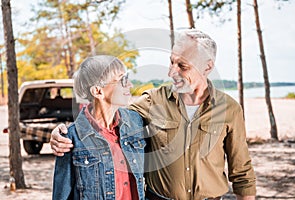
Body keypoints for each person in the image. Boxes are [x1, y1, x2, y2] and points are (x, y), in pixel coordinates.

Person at [50, 29, 256, 199]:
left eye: (182, 66)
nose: (171, 72)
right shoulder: (151, 102)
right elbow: (105, 116)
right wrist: (60, 133)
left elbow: (242, 173)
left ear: (207, 67)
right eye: (171, 62)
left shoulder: (229, 109)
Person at [52, 55, 146, 200]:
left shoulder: (135, 121)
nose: (130, 85)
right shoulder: (71, 139)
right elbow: (61, 196)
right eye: (122, 80)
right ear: (98, 91)